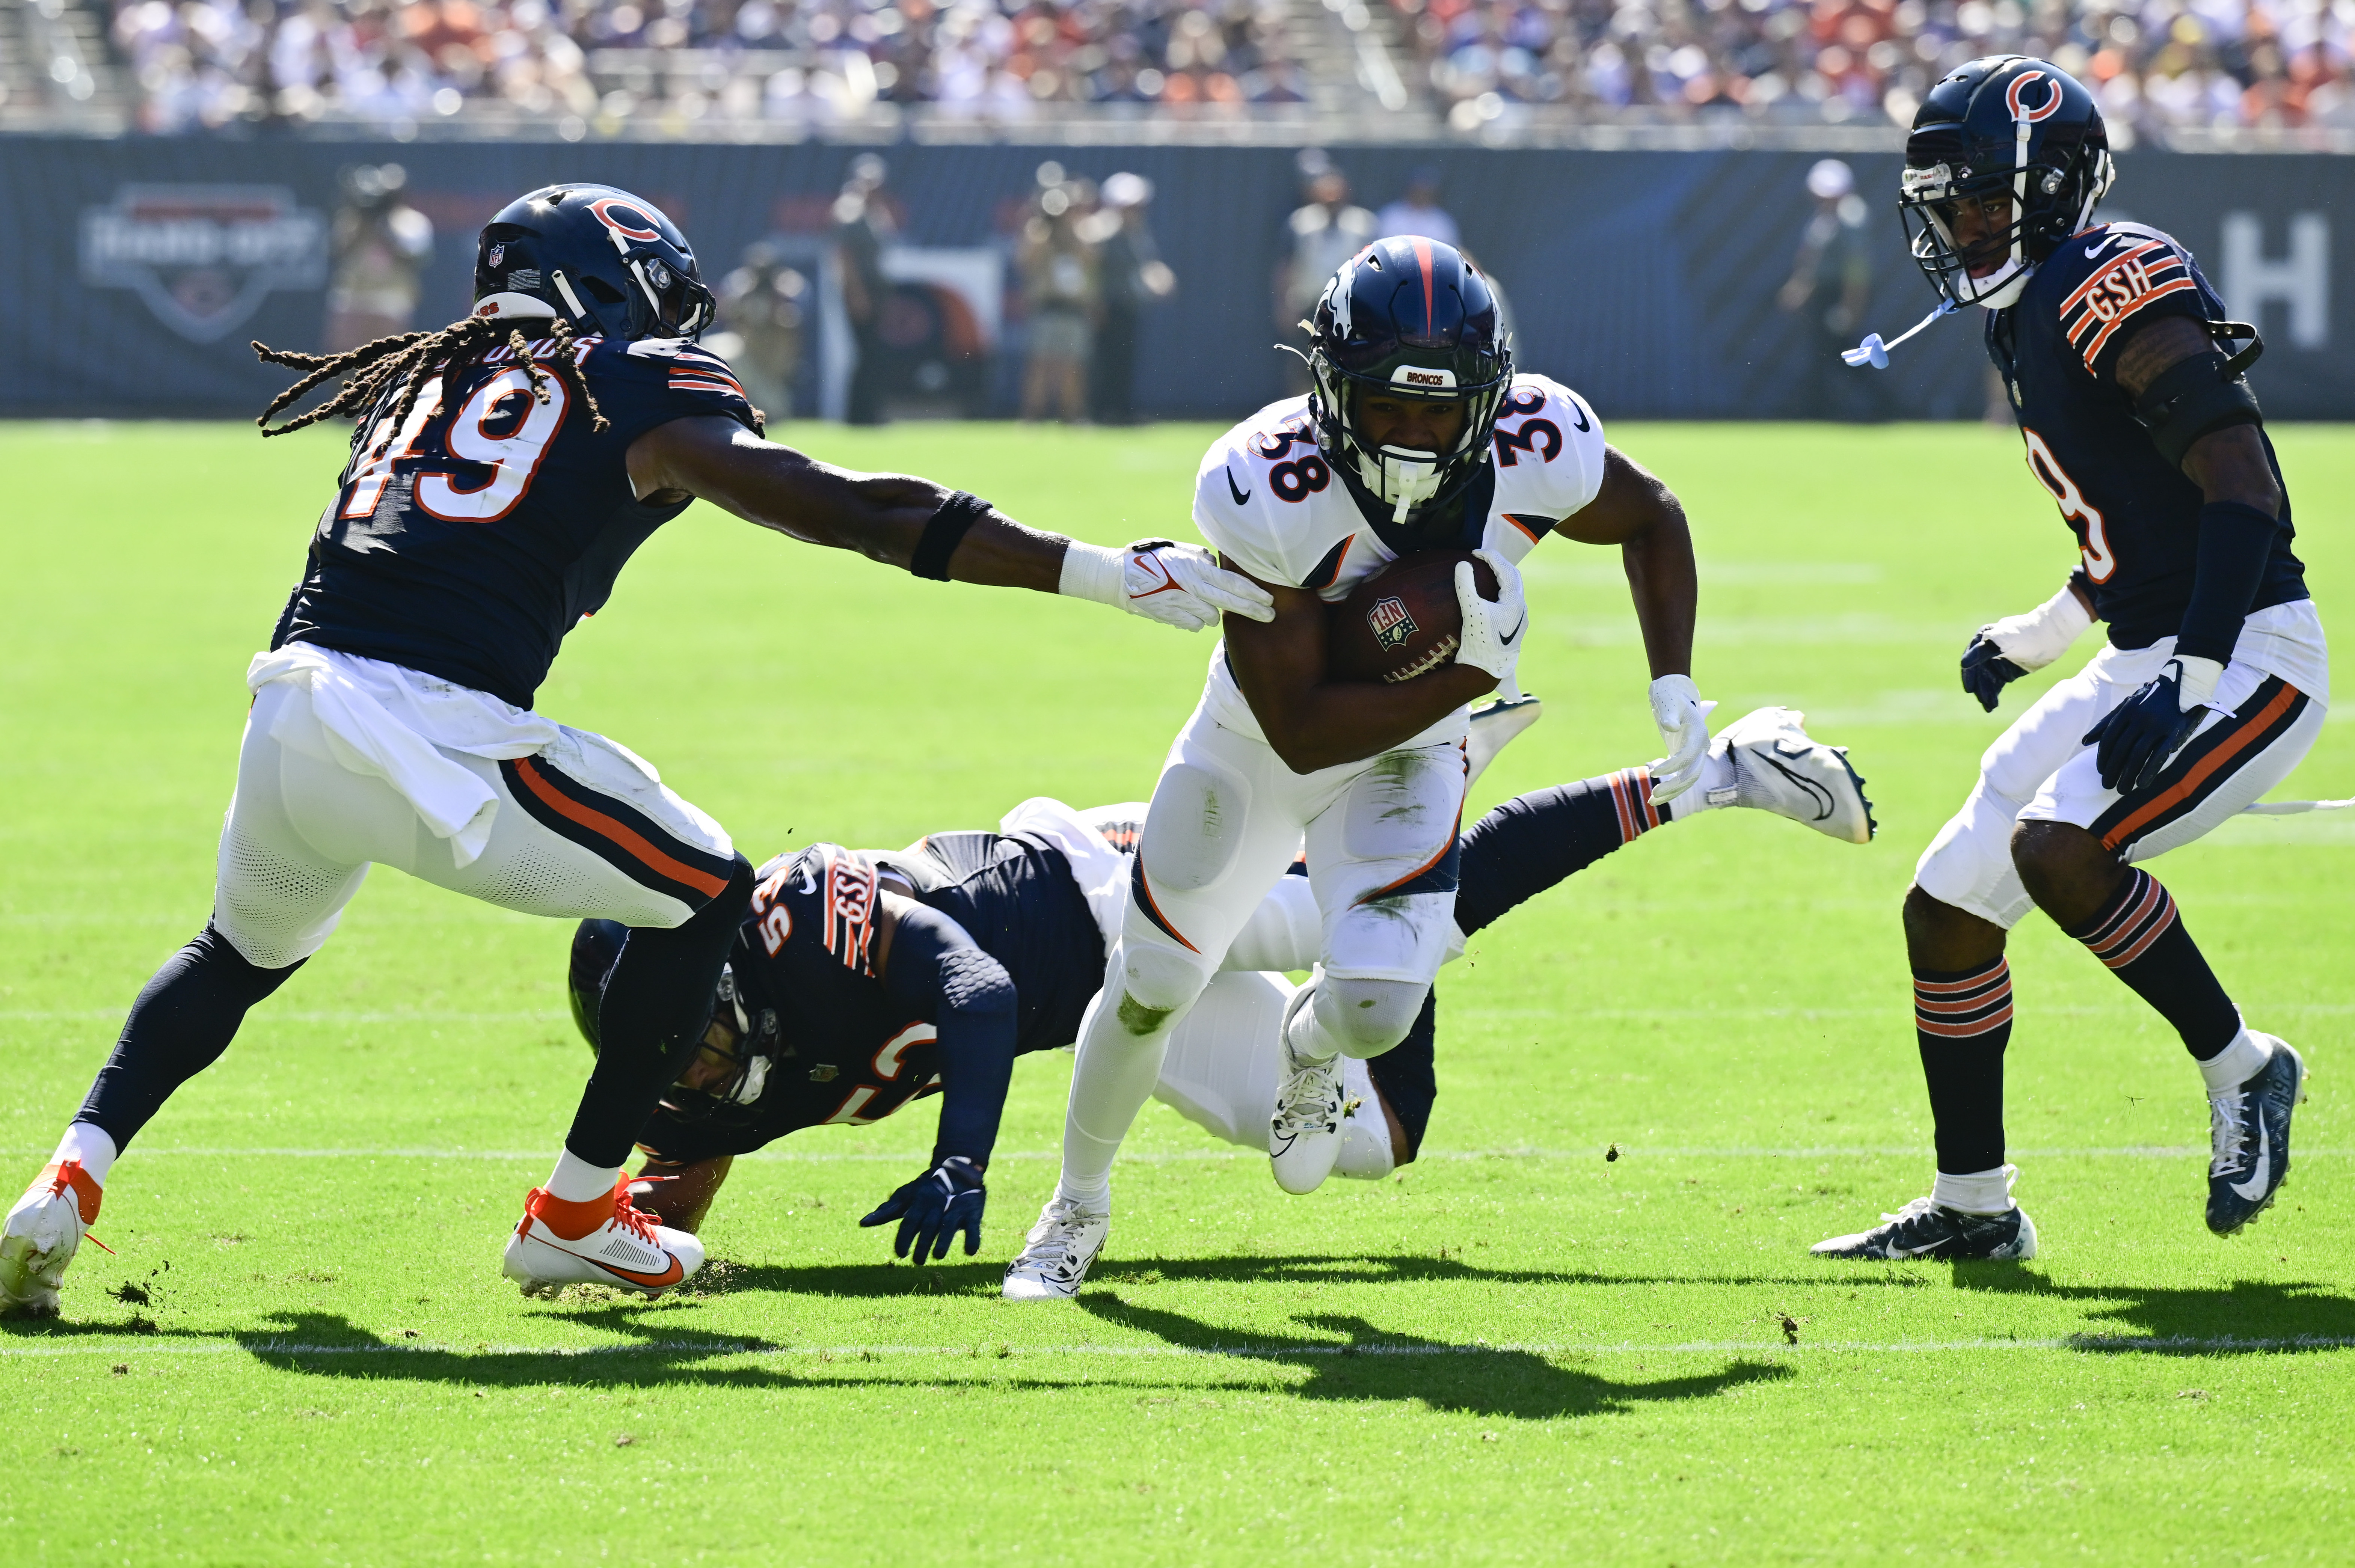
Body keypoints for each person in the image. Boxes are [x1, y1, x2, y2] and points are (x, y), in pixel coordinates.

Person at [0, 183, 1275, 1319]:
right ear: (610, 289)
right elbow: (854, 513)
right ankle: (573, 1215)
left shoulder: (419, 382)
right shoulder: (635, 384)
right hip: (427, 728)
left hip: (289, 707)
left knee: (232, 956)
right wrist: (1099, 574)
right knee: (712, 887)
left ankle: (66, 1181)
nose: (680, 328)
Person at [1001, 237, 1716, 1301]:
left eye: (1441, 409)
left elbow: (1648, 515)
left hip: (1409, 752)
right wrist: (1468, 673)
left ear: (1489, 397)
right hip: (1257, 744)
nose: (1418, 434)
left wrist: (1671, 682)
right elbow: (1298, 727)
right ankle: (1077, 1205)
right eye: (1389, 406)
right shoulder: (1261, 483)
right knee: (1151, 986)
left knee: (1377, 1007)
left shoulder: (1538, 438)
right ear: (1332, 390)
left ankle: (1306, 1043)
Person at [579, 703, 1872, 1254]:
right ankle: (1342, 998)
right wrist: (651, 1242)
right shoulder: (685, 1087)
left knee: (1401, 907)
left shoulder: (799, 913)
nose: (690, 1067)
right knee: (1376, 1140)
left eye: (689, 1037)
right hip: (1110, 1015)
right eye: (668, 1057)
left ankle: (1711, 772)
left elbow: (969, 987)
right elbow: (678, 1180)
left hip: (1115, 893)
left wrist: (967, 1158)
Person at [1813, 57, 2324, 1264]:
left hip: (2248, 650)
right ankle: (1974, 1209)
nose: (1956, 225)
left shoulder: (2108, 279)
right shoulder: (2028, 306)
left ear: (2047, 188)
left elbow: (2243, 492)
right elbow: (2129, 536)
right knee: (1944, 908)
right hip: (2157, 644)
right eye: (1942, 203)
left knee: (2057, 848)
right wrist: (2036, 636)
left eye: (1978, 200)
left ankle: (2243, 1068)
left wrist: (2190, 683)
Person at [1774, 158, 1874, 421]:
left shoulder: (1851, 217)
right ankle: (1824, 408)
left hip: (1837, 295)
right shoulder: (1825, 217)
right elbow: (1811, 260)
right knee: (1828, 354)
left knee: (1843, 354)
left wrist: (1850, 307)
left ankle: (1875, 408)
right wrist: (1800, 287)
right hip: (1822, 295)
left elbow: (1856, 270)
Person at [1273, 158, 1376, 392]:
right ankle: (1300, 412)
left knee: (1348, 362)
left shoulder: (1362, 223)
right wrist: (1283, 304)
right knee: (1302, 361)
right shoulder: (1301, 222)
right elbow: (1286, 266)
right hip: (1308, 303)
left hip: (1348, 307)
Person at [1088, 172, 1175, 425]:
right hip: (1108, 306)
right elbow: (1093, 273)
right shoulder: (1100, 231)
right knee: (1106, 360)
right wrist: (1095, 304)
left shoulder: (1137, 232)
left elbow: (1144, 266)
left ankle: (1121, 411)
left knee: (1124, 361)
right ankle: (1101, 412)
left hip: (1129, 305)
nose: (1136, 211)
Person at [324, 162, 434, 353]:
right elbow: (336, 252)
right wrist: (363, 221)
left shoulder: (411, 221)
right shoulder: (352, 219)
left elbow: (416, 258)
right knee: (341, 356)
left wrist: (384, 226)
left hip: (390, 298)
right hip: (352, 295)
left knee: (386, 357)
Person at [1018, 173, 1100, 424]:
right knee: (1041, 364)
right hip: (1048, 307)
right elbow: (1026, 261)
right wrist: (1046, 225)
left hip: (1073, 308)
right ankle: (1033, 415)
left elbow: (1090, 260)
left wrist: (1071, 228)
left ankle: (1072, 414)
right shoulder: (1040, 235)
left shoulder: (1081, 234)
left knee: (1073, 366)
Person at [832, 154, 894, 426]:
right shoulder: (851, 212)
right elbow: (845, 258)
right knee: (866, 353)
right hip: (861, 291)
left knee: (873, 354)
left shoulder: (872, 212)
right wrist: (856, 295)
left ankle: (867, 413)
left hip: (873, 290)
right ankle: (859, 415)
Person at [715, 242, 806, 423]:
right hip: (747, 363)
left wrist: (776, 308)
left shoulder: (787, 293)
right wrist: (747, 298)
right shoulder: (743, 290)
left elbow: (792, 327)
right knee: (717, 350)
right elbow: (729, 314)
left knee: (774, 413)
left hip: (770, 377)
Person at [1374, 167, 1460, 249]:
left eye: (1427, 191)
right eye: (1419, 190)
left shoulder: (1442, 222)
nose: (1422, 195)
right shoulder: (1390, 215)